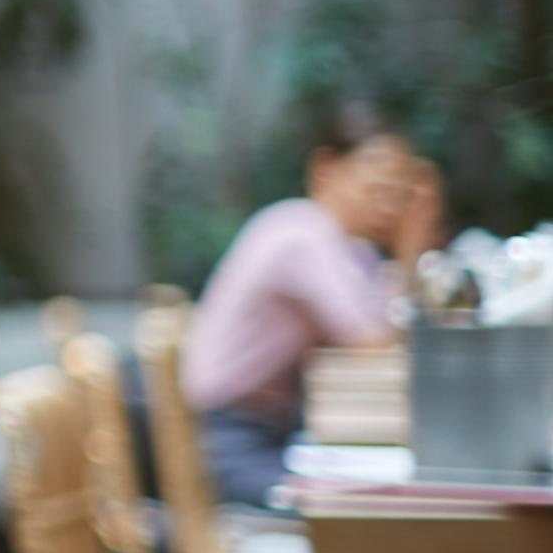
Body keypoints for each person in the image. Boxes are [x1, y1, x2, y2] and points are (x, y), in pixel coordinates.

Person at [181, 104, 441, 506]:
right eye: (377, 189)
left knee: (372, 498)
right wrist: (412, 246)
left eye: (400, 195)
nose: (389, 207)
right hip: (226, 443)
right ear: (326, 170)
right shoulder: (303, 234)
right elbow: (373, 342)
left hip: (264, 433)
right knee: (349, 512)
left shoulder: (348, 250)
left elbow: (385, 318)